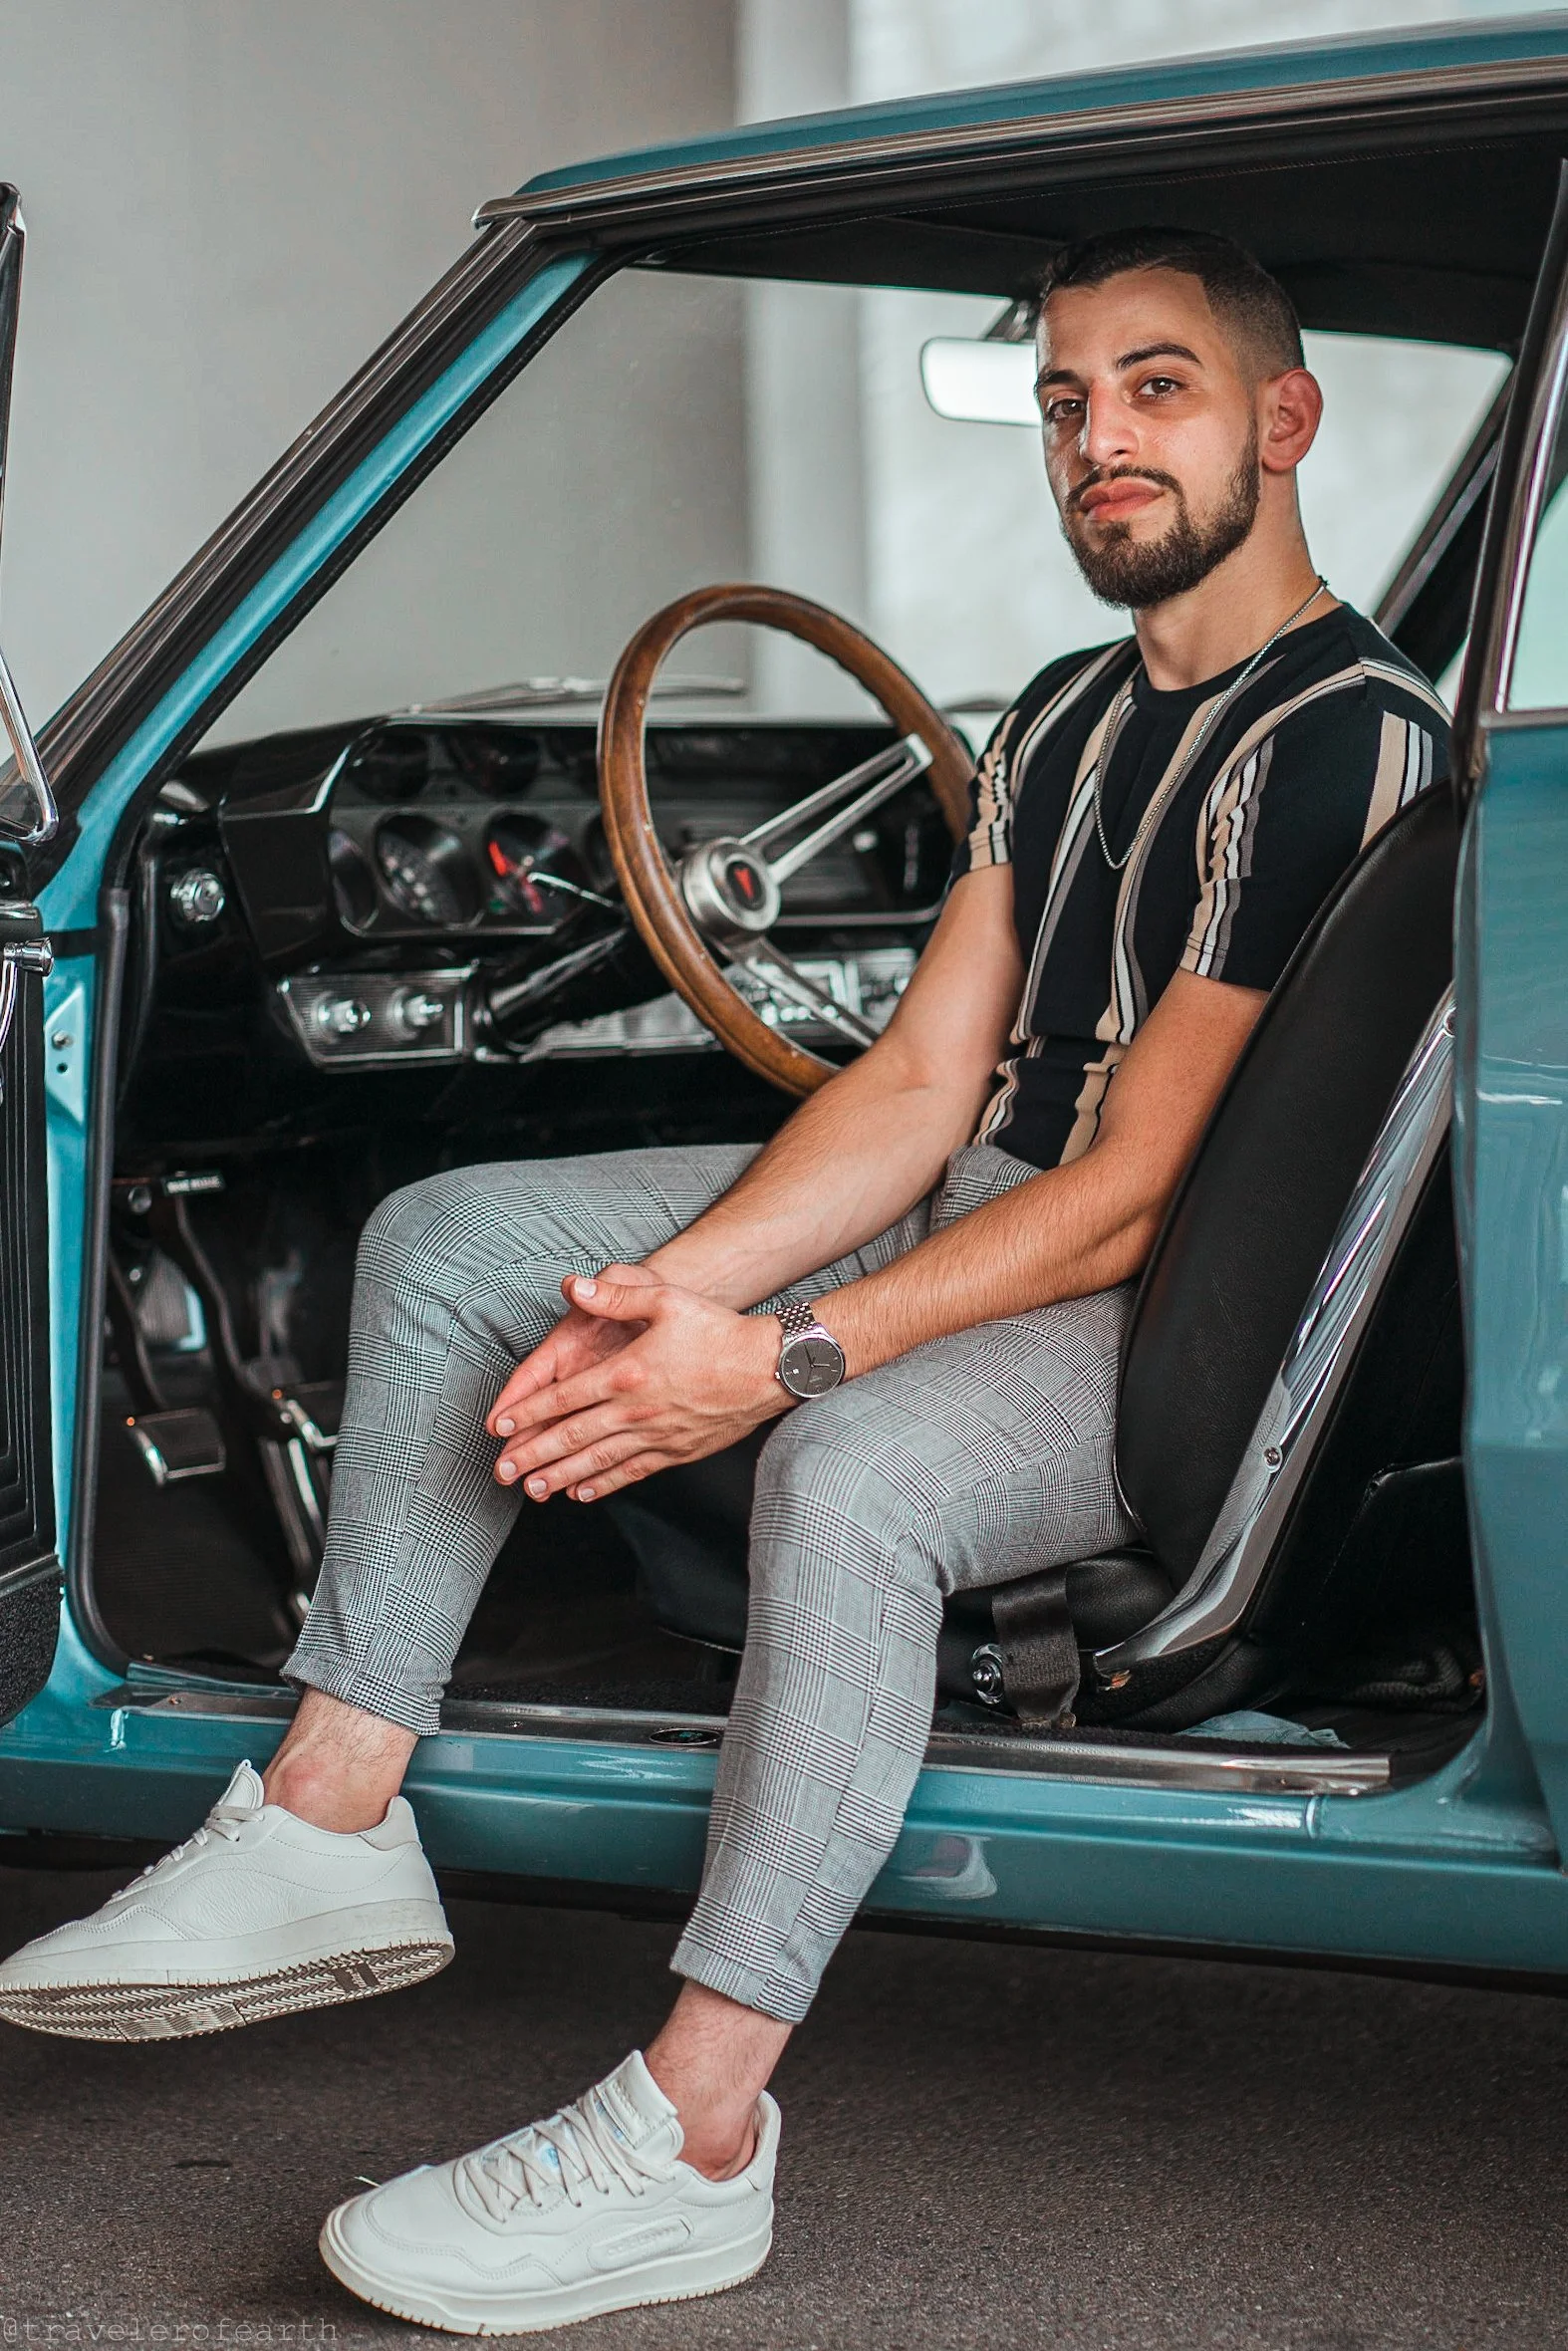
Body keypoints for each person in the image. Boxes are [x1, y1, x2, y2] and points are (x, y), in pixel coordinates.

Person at [0, 227, 1449, 2334]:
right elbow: (924, 1082)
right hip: (986, 1189)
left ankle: (689, 2134)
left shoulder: (1339, 737)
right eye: (1064, 402)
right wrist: (665, 1301)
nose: (1098, 443)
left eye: (1156, 389)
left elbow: (1139, 1190)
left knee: (844, 1472)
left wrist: (775, 1358)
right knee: (462, 1249)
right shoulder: (1062, 719)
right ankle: (327, 1813)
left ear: (1279, 419)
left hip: (1159, 1302)